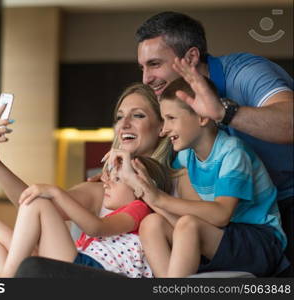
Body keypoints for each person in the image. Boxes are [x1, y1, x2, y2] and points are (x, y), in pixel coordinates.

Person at [0, 82, 199, 276]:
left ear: (163, 125)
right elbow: (33, 202)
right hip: (74, 268)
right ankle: (4, 280)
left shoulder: (183, 178)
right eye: (119, 117)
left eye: (138, 115)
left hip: (99, 275)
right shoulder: (104, 187)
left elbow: (200, 235)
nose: (124, 124)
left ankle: (3, 280)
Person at [135, 11, 293, 266]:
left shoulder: (246, 74)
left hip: (277, 208)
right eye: (142, 67)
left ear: (191, 57)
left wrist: (223, 112)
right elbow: (172, 173)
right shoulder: (177, 116)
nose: (145, 78)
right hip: (238, 217)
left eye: (154, 64)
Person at [123, 75, 288, 277]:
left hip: (260, 242)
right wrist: (124, 169)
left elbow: (221, 214)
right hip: (224, 236)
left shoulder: (233, 153)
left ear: (202, 117)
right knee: (151, 223)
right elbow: (161, 174)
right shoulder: (187, 155)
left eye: (171, 119)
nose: (164, 130)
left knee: (189, 224)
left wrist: (158, 198)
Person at [0, 156, 171, 278]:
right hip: (78, 260)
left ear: (140, 187)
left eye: (117, 179)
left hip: (91, 270)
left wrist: (55, 192)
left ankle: (5, 282)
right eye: (109, 177)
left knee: (38, 203)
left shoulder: (140, 208)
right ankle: (6, 280)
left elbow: (95, 228)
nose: (107, 183)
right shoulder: (119, 213)